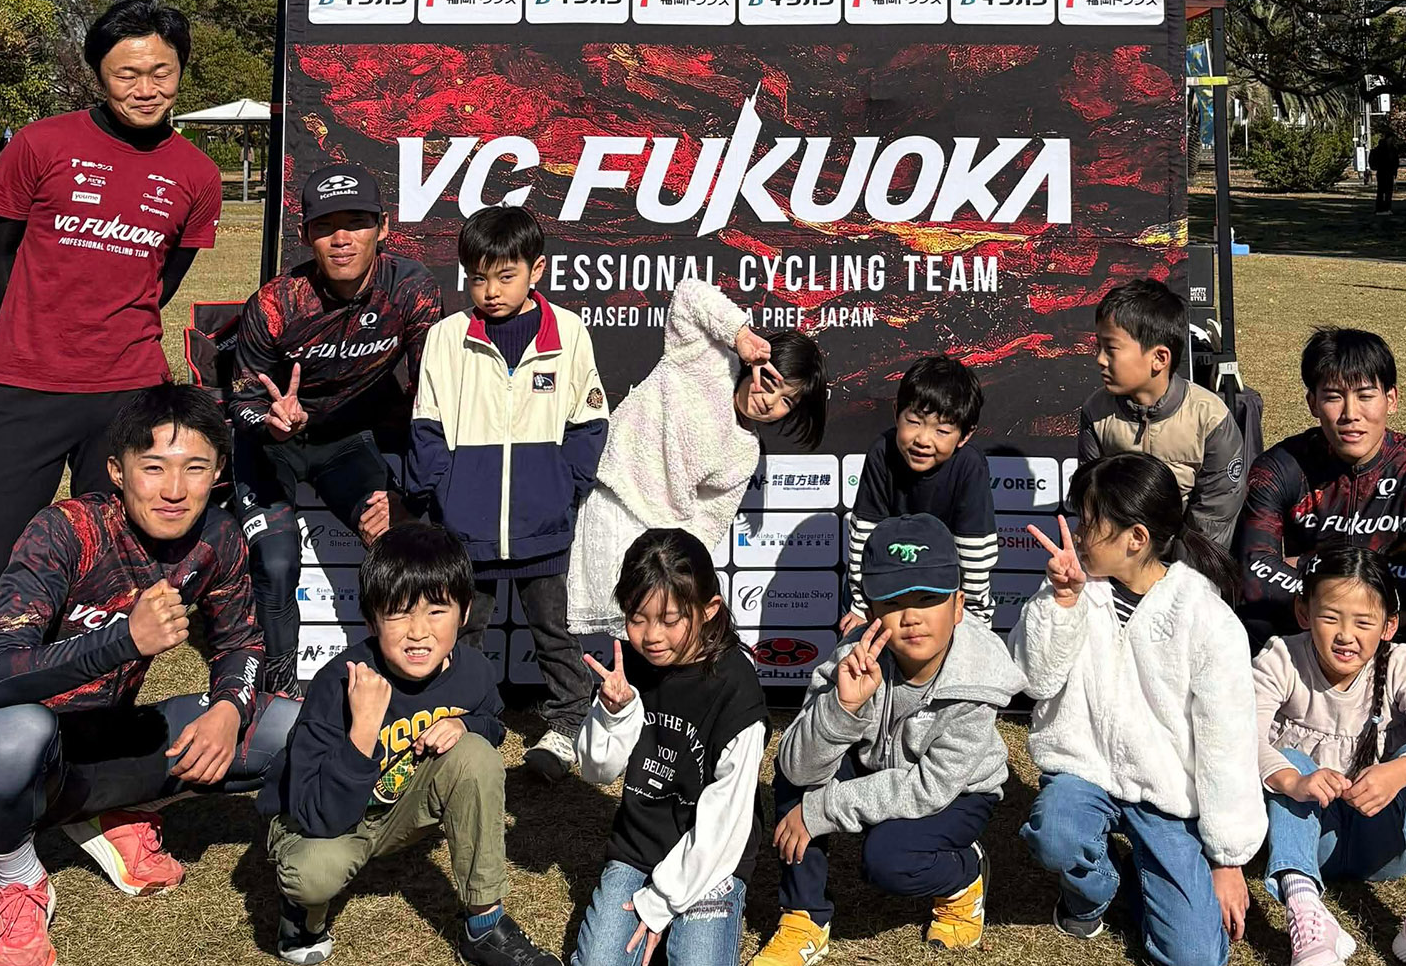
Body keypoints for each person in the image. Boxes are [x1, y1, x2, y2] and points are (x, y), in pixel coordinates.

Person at [0, 0, 223, 856]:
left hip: (127, 399)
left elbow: (163, 277)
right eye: (127, 72)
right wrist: (34, 337)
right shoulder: (40, 145)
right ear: (98, 74)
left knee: (108, 591)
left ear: (180, 71)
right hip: (25, 389)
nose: (145, 87)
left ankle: (81, 767)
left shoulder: (195, 173)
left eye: (161, 71)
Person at [0, 384, 293, 966]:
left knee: (287, 726)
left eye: (195, 468)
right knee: (16, 734)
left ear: (218, 474)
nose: (173, 489)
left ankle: (104, 813)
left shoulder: (217, 537)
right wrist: (123, 640)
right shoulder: (65, 531)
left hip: (104, 739)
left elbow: (241, 642)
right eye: (153, 467)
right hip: (9, 750)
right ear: (116, 470)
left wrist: (230, 708)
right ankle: (20, 878)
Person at [262, 519, 566, 966]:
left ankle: (485, 926)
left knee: (476, 755)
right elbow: (316, 814)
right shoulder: (337, 683)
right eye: (399, 614)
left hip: (399, 809)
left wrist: (466, 726)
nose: (418, 632)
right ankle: (301, 915)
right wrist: (363, 730)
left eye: (437, 610)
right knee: (311, 873)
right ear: (370, 621)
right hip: (325, 820)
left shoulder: (474, 670)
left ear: (464, 612)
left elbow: (492, 723)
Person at [743, 516, 1019, 966]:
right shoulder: (852, 656)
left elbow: (928, 787)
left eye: (928, 598)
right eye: (892, 602)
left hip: (958, 793)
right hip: (877, 766)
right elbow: (795, 765)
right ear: (870, 611)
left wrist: (824, 809)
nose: (911, 616)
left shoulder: (980, 680)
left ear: (958, 605)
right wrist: (842, 708)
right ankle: (804, 917)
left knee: (889, 858)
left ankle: (964, 876)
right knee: (799, 772)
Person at [1012, 456, 1263, 966]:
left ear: (1136, 538)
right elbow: (1035, 680)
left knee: (1194, 960)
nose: (1079, 534)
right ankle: (1093, 894)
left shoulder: (1207, 619)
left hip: (1165, 794)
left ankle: (1141, 881)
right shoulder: (1075, 587)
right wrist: (1061, 603)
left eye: (1090, 523)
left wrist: (1227, 858)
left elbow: (1227, 743)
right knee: (1055, 833)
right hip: (1084, 770)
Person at [226, 162, 444, 697]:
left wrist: (406, 494)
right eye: (325, 226)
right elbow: (242, 399)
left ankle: (403, 675)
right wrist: (270, 421)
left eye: (356, 223)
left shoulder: (410, 288)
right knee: (277, 561)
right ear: (305, 236)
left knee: (393, 540)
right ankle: (278, 692)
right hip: (270, 445)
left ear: (383, 227)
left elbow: (434, 393)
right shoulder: (277, 302)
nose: (341, 239)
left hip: (344, 442)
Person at [406, 205, 608, 781]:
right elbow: (426, 426)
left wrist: (563, 488)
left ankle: (567, 725)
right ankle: (466, 721)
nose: (490, 291)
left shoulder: (569, 332)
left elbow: (589, 421)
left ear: (536, 270)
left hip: (544, 525)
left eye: (505, 276)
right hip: (464, 529)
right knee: (464, 632)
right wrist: (442, 497)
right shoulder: (447, 337)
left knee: (554, 631)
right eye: (478, 277)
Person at [1254, 549, 1406, 966]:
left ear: (1389, 626)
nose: (1346, 636)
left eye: (1363, 622)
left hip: (1383, 845)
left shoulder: (1399, 664)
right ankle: (1304, 907)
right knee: (1291, 760)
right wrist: (1293, 780)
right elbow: (1237, 739)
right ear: (1303, 612)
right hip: (1313, 840)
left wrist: (1400, 771)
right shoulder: (1281, 658)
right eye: (1330, 618)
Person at [570, 529, 768, 966]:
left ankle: (688, 916)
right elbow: (597, 771)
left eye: (670, 619)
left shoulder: (737, 689)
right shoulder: (631, 666)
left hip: (712, 853)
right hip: (640, 846)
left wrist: (659, 904)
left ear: (709, 609)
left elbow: (725, 822)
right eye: (637, 619)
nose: (651, 636)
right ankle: (670, 924)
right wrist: (613, 713)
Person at [565, 275, 826, 639]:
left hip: (656, 545)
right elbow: (688, 295)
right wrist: (740, 335)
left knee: (648, 638)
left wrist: (675, 568)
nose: (769, 401)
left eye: (787, 401)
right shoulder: (706, 359)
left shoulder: (745, 451)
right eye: (770, 381)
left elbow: (708, 523)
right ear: (757, 362)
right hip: (611, 501)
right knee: (585, 629)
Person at [1235, 327, 1406, 691]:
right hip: (1310, 623)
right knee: (1250, 624)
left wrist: (1309, 567)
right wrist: (1335, 609)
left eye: (1365, 396)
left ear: (1391, 399)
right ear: (1312, 403)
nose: (1350, 414)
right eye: (1333, 397)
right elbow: (1255, 575)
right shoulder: (1279, 468)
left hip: (1396, 623)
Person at [1078, 277, 1246, 553]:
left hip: (1190, 568)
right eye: (1098, 347)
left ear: (1159, 358)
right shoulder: (1096, 412)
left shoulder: (1211, 419)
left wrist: (1170, 574)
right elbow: (1092, 502)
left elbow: (1214, 518)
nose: (1100, 359)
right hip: (1118, 563)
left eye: (1111, 349)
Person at [845, 355, 998, 623]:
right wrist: (860, 607)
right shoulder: (881, 453)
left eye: (942, 431)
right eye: (914, 422)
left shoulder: (969, 466)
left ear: (965, 435)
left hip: (941, 590)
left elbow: (974, 551)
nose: (923, 440)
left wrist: (974, 617)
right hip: (886, 586)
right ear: (896, 413)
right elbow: (865, 537)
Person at [1369, 127, 1401, 212]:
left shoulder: (1392, 149)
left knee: (1387, 191)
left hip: (1387, 172)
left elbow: (1395, 161)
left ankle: (1386, 207)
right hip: (1383, 171)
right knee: (1382, 191)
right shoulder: (1383, 149)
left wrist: (1395, 171)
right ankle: (1381, 207)